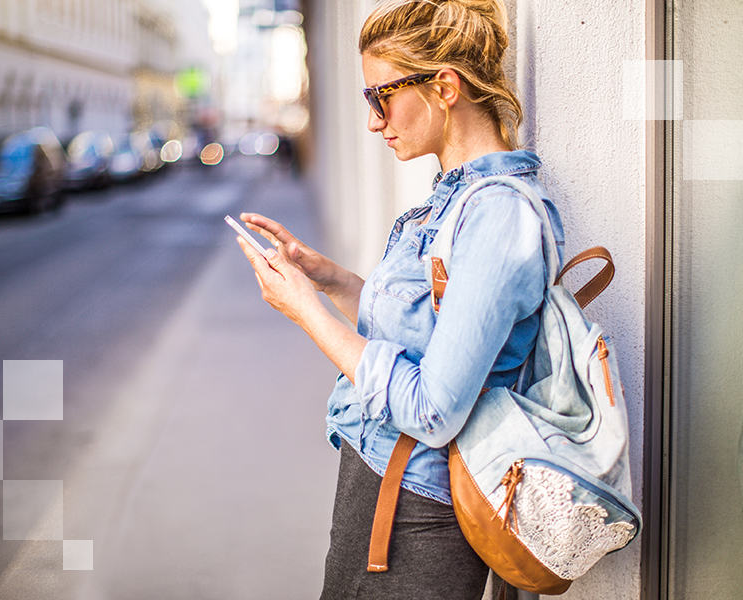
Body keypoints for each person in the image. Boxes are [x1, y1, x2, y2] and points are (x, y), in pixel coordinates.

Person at [235, 0, 565, 597]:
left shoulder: (498, 216)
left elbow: (433, 408)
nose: (373, 121)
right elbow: (433, 327)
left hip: (414, 513)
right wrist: (327, 279)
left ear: (444, 87)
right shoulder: (456, 200)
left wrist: (305, 312)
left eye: (380, 97)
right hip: (384, 486)